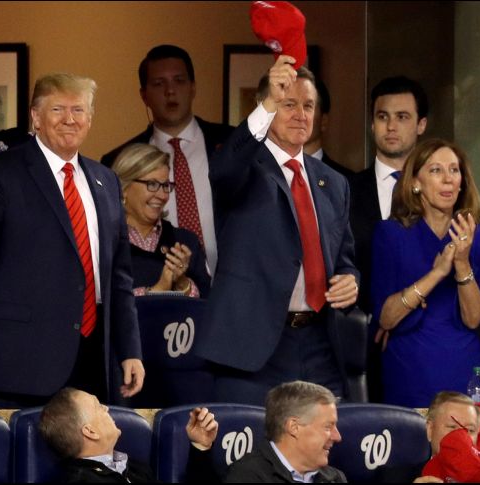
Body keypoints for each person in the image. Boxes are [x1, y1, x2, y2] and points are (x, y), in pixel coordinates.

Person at [0, 73, 144, 408]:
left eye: (78, 110)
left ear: (90, 119)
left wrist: (130, 350)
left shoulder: (106, 180)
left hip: (89, 360)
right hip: (16, 361)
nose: (69, 119)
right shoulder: (1, 169)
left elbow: (119, 277)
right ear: (35, 117)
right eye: (58, 109)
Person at [195, 56, 359, 406]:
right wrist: (269, 101)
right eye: (288, 104)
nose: (301, 114)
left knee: (324, 454)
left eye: (308, 105)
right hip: (253, 349)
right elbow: (224, 170)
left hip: (320, 345)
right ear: (267, 108)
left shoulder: (333, 183)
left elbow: (343, 258)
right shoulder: (243, 167)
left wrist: (350, 279)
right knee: (253, 456)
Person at [370, 139, 480, 408]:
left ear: (462, 181)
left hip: (465, 373)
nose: (448, 179)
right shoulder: (390, 235)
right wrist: (437, 274)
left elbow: (474, 319)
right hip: (410, 373)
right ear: (415, 182)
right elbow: (387, 318)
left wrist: (462, 263)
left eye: (454, 170)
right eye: (436, 171)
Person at [101, 45, 234, 275]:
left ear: (193, 88)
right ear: (144, 95)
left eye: (179, 81)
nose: (170, 91)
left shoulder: (231, 143)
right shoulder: (118, 161)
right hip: (158, 291)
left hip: (234, 288)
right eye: (159, 83)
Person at [350, 76, 430, 404]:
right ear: (372, 124)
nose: (391, 126)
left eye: (402, 117)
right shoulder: (343, 190)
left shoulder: (443, 191)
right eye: (383, 117)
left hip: (427, 342)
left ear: (421, 125)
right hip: (363, 345)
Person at [39, 387, 218, 482]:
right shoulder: (80, 481)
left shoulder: (135, 469)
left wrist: (200, 447)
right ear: (90, 432)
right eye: (98, 406)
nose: (106, 408)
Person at [111, 143, 210, 298]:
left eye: (165, 186)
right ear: (123, 188)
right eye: (152, 184)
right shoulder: (102, 243)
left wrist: (182, 283)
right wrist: (158, 290)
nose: (163, 195)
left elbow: (208, 306)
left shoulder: (185, 242)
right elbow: (100, 309)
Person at [225, 381, 346, 483]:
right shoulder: (248, 476)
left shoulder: (335, 478)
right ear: (294, 427)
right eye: (328, 427)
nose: (337, 437)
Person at [302, 78, 354, 178]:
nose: (299, 115)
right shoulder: (266, 175)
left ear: (323, 120)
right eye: (290, 105)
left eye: (307, 107)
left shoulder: (346, 180)